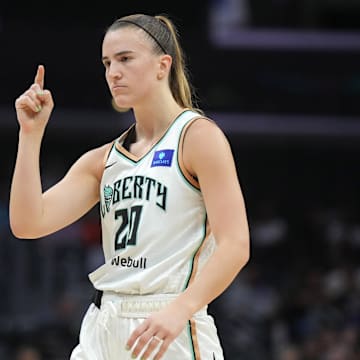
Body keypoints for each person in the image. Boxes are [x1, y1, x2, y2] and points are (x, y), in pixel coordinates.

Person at [10, 13, 250, 360]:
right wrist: (30, 136)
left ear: (162, 65)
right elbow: (27, 223)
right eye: (107, 63)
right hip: (104, 321)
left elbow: (236, 244)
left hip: (170, 320)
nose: (113, 73)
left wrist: (180, 310)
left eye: (125, 59)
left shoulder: (197, 138)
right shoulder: (102, 160)